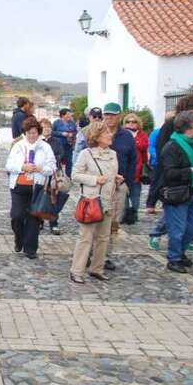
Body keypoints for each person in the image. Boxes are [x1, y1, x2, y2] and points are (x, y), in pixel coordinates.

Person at [146, 95, 193, 251]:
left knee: (190, 218)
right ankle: (159, 236)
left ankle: (186, 243)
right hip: (176, 177)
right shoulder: (172, 125)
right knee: (175, 215)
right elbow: (162, 150)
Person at [69, 122, 119, 284]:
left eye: (109, 132)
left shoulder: (113, 154)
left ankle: (97, 268)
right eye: (106, 133)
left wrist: (116, 178)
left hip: (108, 200)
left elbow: (110, 173)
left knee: (104, 238)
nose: (110, 135)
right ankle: (76, 271)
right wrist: (94, 179)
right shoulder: (86, 154)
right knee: (86, 237)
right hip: (91, 201)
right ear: (96, 137)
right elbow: (75, 175)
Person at [5, 116, 56, 259]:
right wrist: (22, 167)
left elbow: (52, 167)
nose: (32, 136)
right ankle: (19, 238)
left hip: (37, 187)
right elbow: (8, 165)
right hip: (18, 186)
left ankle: (30, 249)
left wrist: (40, 168)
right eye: (29, 133)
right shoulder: (18, 146)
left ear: (38, 132)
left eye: (34, 133)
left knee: (33, 218)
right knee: (17, 215)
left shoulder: (45, 147)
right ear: (25, 133)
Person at [159, 111, 193, 274]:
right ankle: (174, 258)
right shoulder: (172, 147)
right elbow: (169, 173)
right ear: (186, 127)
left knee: (192, 229)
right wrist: (192, 169)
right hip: (178, 194)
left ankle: (180, 252)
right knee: (177, 229)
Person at [100, 102, 136, 271]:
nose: (109, 117)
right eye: (106, 114)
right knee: (96, 220)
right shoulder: (96, 132)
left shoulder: (127, 136)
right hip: (100, 185)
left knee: (114, 223)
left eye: (112, 115)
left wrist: (127, 183)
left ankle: (106, 255)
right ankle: (92, 253)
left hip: (120, 186)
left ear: (119, 116)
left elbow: (132, 161)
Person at [41, 118, 68, 235]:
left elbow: (61, 154)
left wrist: (51, 160)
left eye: (48, 127)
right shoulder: (38, 142)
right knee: (40, 197)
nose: (46, 129)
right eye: (44, 127)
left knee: (53, 197)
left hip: (54, 173)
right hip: (41, 173)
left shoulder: (56, 141)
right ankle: (39, 220)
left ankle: (54, 223)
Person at [122, 113, 149, 225]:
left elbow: (143, 146)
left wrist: (133, 138)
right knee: (123, 193)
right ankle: (124, 214)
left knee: (135, 194)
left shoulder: (142, 135)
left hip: (137, 167)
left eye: (133, 122)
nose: (131, 124)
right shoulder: (122, 134)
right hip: (124, 167)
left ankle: (134, 214)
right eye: (128, 122)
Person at [52, 108, 77, 176]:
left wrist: (72, 134)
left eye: (70, 114)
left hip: (69, 145)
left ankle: (69, 176)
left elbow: (75, 131)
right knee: (58, 161)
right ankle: (58, 176)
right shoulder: (56, 123)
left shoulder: (72, 122)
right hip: (59, 146)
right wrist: (61, 134)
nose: (70, 116)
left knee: (69, 161)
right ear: (63, 115)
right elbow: (52, 132)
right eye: (68, 114)